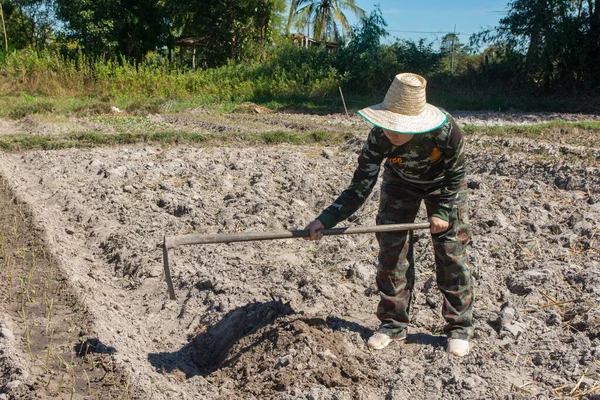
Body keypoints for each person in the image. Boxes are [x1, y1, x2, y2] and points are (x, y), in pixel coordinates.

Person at [304, 73, 473, 357]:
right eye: (387, 124)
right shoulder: (378, 137)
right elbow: (360, 186)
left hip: (444, 187)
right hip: (400, 184)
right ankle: (393, 324)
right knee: (391, 252)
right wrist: (327, 219)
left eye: (399, 127)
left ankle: (459, 328)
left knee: (450, 253)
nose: (391, 132)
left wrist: (443, 210)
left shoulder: (446, 131)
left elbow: (456, 174)